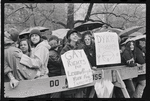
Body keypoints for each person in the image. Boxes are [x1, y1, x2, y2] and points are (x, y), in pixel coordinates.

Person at [60, 29, 84, 98]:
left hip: (80, 79)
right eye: (73, 34)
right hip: (70, 80)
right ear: (69, 37)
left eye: (76, 34)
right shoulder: (65, 49)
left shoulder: (80, 47)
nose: (75, 36)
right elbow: (61, 63)